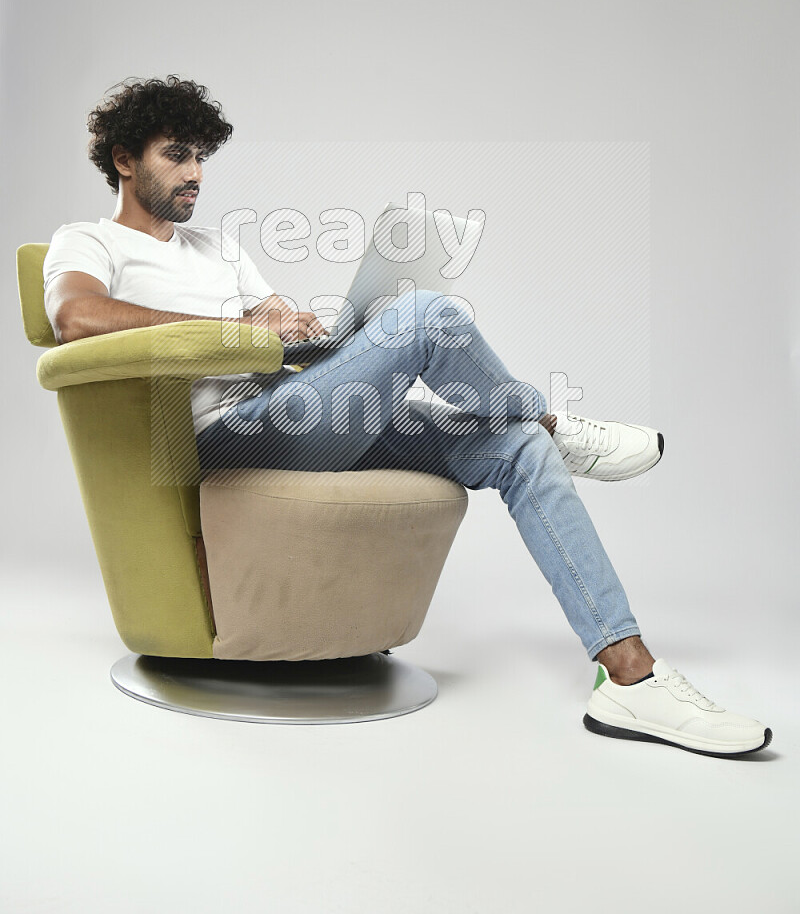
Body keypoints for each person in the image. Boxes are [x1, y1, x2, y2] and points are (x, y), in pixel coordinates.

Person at [43, 76, 772, 757]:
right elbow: (75, 317)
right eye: (176, 155)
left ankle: (630, 677)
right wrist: (230, 329)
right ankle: (554, 420)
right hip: (222, 439)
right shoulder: (90, 241)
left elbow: (265, 320)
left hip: (289, 403)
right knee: (426, 317)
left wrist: (286, 319)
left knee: (512, 446)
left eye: (201, 156)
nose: (195, 172)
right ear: (124, 161)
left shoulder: (217, 247)